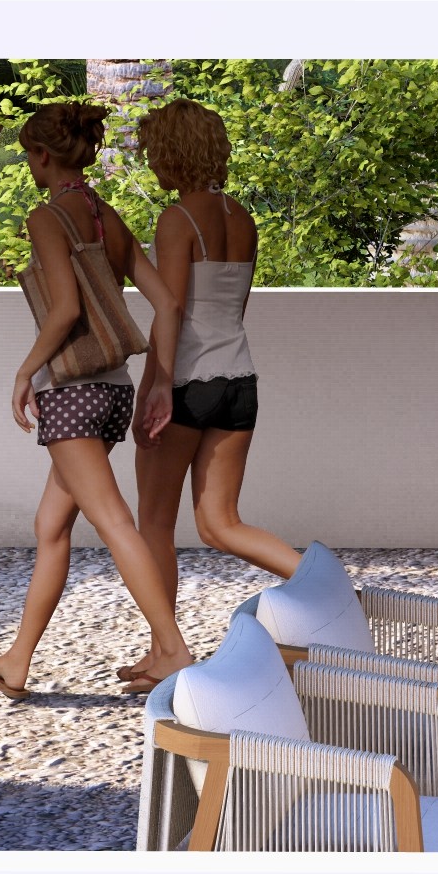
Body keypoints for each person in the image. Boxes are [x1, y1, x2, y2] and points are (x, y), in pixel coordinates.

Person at [0, 96, 190, 697]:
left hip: (71, 393)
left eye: (28, 156)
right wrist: (160, 382)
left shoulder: (47, 218)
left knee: (113, 520)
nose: (29, 165)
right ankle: (17, 660)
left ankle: (173, 649)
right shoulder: (106, 216)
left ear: (42, 155)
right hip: (113, 392)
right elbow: (168, 304)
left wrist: (24, 372)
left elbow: (64, 309)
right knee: (51, 525)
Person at [126, 97, 291, 573]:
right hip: (239, 381)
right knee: (221, 525)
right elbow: (236, 309)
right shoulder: (244, 219)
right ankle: (329, 584)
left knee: (154, 524)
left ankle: (163, 629)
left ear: (174, 152)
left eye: (154, 152)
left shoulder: (177, 219)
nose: (151, 163)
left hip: (186, 382)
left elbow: (171, 310)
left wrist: (152, 389)